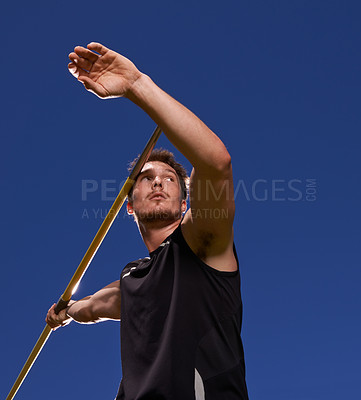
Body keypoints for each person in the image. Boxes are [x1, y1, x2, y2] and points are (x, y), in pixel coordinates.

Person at [46, 42, 249, 400]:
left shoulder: (203, 242)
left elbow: (216, 164)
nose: (157, 181)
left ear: (187, 203)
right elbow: (94, 306)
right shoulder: (134, 278)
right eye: (145, 177)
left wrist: (137, 84)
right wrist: (65, 313)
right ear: (129, 206)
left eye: (169, 178)